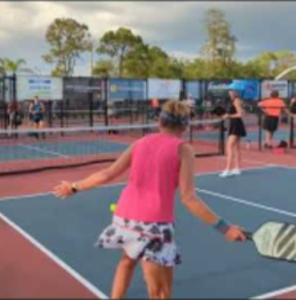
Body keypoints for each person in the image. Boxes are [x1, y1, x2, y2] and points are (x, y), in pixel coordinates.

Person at [53, 100, 246, 299]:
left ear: (160, 121)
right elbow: (188, 198)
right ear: (185, 125)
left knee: (127, 262)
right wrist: (225, 228)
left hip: (124, 217)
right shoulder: (183, 150)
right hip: (154, 226)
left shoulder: (140, 143)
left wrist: (74, 187)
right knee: (160, 292)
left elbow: (107, 174)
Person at [220, 90, 247, 178]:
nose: (231, 92)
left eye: (233, 91)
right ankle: (237, 168)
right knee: (235, 147)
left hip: (236, 124)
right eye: (230, 91)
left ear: (236, 92)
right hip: (233, 124)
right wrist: (226, 115)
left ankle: (228, 169)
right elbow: (238, 112)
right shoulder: (233, 101)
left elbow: (240, 114)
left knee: (229, 146)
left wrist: (229, 116)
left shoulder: (236, 100)